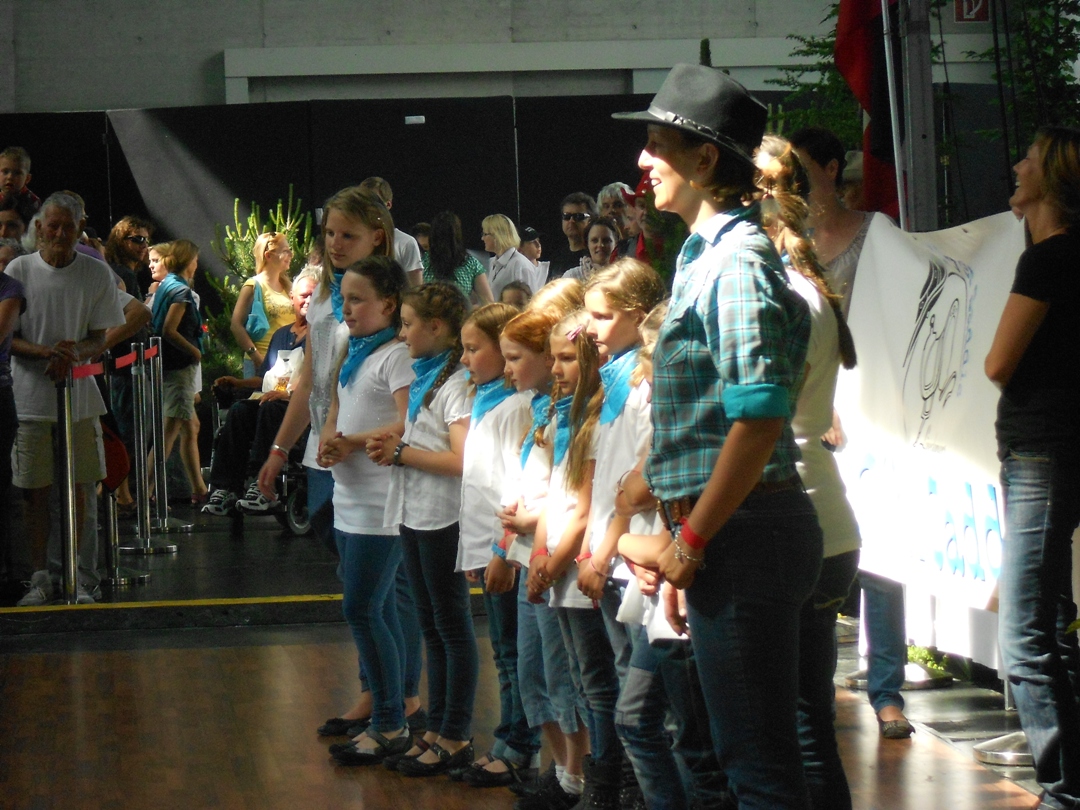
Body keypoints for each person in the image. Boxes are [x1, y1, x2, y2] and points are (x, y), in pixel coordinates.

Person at [613, 65, 820, 808]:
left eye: (658, 145)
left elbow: (758, 419)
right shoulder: (707, 255)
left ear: (704, 160)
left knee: (757, 769)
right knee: (752, 761)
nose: (643, 160)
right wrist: (688, 544)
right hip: (735, 533)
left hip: (743, 535)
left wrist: (692, 542)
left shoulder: (733, 262)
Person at [790, 126, 912, 740]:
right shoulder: (784, 247)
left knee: (881, 551)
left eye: (802, 169)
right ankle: (813, 694)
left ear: (832, 168)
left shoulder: (877, 235)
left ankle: (887, 691)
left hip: (877, 408)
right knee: (818, 553)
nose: (792, 183)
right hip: (814, 414)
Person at [756, 134, 860, 809]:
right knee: (806, 723)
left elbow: (757, 425)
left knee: (786, 729)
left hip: (790, 523)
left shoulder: (779, 295)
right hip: (822, 525)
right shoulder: (805, 287)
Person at [984, 125, 1080, 810]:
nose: (1017, 166)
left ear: (1055, 180)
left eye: (1030, 159)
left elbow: (998, 362)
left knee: (1023, 634)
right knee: (1049, 622)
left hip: (1040, 455)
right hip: (1051, 453)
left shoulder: (1048, 261)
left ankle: (1064, 791)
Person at [367, 282, 477, 778]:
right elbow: (420, 439)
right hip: (416, 511)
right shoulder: (429, 375)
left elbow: (461, 460)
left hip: (442, 515)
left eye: (409, 324)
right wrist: (395, 443)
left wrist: (402, 453)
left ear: (436, 327)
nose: (402, 333)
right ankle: (436, 728)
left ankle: (456, 733)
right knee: (432, 624)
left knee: (451, 626)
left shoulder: (456, 385)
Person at [576, 260, 670, 810]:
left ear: (637, 316)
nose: (588, 328)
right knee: (621, 673)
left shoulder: (644, 380)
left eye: (602, 317)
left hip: (638, 555)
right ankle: (631, 786)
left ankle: (645, 791)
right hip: (615, 554)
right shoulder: (613, 378)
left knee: (647, 700)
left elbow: (640, 483)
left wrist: (608, 547)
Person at [317, 256, 415, 765]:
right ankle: (390, 709)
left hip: (381, 503)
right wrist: (330, 440)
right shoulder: (354, 351)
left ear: (389, 305)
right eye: (344, 298)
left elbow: (408, 424)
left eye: (358, 300)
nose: (347, 308)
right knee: (375, 609)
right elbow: (337, 407)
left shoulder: (396, 355)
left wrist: (351, 442)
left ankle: (391, 721)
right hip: (350, 500)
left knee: (362, 608)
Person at [497, 285, 592, 809]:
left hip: (558, 556)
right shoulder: (545, 409)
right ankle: (560, 769)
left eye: (562, 355)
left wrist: (537, 534)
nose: (556, 367)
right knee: (533, 670)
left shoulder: (577, 412)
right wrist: (516, 543)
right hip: (534, 551)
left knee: (567, 674)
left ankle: (577, 774)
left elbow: (576, 492)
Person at [527, 310, 626, 810]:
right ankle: (594, 779)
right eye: (554, 359)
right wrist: (539, 553)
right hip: (560, 564)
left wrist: (555, 560)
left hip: (579, 564)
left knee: (599, 681)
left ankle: (608, 783)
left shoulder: (596, 419)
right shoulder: (567, 417)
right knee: (583, 679)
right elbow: (555, 494)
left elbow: (586, 506)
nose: (556, 369)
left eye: (567, 358)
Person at [8, 192, 126, 606]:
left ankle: (78, 575)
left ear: (80, 229)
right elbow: (9, 336)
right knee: (34, 491)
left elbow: (100, 336)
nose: (59, 234)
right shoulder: (19, 269)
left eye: (68, 227)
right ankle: (40, 576)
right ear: (39, 228)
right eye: (53, 226)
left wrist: (73, 353)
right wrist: (48, 353)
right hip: (29, 400)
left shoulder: (95, 273)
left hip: (80, 401)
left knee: (80, 489)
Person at [455, 303, 538, 787]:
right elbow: (478, 487)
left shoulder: (518, 408)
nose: (465, 359)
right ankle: (510, 738)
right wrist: (475, 551)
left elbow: (512, 488)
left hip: (507, 551)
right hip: (489, 550)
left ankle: (521, 744)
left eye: (473, 349)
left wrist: (501, 552)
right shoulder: (487, 404)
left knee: (514, 654)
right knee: (505, 653)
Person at [203, 270, 316, 515]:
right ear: (292, 297)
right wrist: (238, 383)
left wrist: (287, 395)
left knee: (271, 408)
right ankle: (225, 488)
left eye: (314, 296)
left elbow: (317, 381)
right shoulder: (281, 335)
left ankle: (261, 482)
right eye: (304, 295)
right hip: (271, 398)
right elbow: (265, 378)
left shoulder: (320, 336)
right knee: (240, 410)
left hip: (298, 406)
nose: (308, 300)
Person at [148, 238, 207, 503]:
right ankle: (146, 492)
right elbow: (169, 330)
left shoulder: (166, 286)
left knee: (187, 427)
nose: (197, 265)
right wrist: (194, 351)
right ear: (188, 261)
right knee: (168, 434)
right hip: (179, 368)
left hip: (168, 366)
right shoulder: (181, 291)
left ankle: (199, 489)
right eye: (195, 260)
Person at [231, 231, 295, 378]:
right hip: (261, 363)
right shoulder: (253, 285)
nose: (291, 254)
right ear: (268, 255)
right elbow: (236, 325)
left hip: (287, 363)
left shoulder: (288, 287)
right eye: (285, 251)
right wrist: (256, 357)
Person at [358, 177, 425, 285]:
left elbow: (415, 289)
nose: (367, 207)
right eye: (362, 202)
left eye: (374, 202)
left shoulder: (406, 243)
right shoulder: (353, 240)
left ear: (388, 205)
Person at [423, 210, 493, 304]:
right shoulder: (471, 263)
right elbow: (489, 301)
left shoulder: (423, 262)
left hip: (430, 312)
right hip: (461, 312)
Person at [483, 214, 537, 301]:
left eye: (485, 234)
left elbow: (530, 302)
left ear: (497, 235)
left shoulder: (521, 265)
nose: (482, 238)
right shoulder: (492, 262)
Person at [548, 193, 597, 279]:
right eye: (567, 216)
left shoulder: (596, 255)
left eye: (578, 216)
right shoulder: (558, 256)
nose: (571, 221)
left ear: (591, 220)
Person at [0, 146, 40, 225]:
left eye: (17, 173)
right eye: (5, 172)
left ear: (27, 178)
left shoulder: (32, 202)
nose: (10, 177)